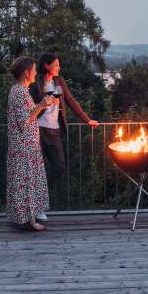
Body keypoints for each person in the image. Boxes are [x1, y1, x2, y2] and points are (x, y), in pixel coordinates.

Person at [30, 53, 99, 217]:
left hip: (54, 131)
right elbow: (36, 103)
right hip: (37, 130)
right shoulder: (36, 82)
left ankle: (36, 195)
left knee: (59, 167)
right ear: (46, 65)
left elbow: (70, 100)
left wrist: (87, 120)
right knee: (36, 169)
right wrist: (49, 99)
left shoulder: (59, 81)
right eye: (56, 65)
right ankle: (36, 209)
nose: (59, 67)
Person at [7, 56, 54, 231]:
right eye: (33, 70)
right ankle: (28, 222)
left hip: (27, 145)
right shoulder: (19, 91)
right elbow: (24, 121)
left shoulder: (21, 90)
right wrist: (41, 104)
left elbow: (29, 116)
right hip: (23, 147)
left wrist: (42, 106)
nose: (35, 73)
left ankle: (25, 218)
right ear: (27, 72)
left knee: (25, 182)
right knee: (25, 183)